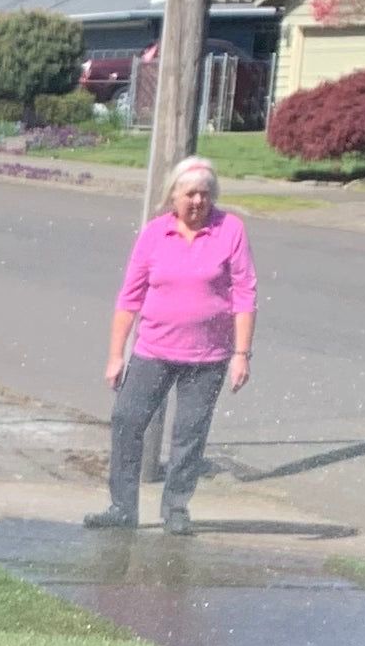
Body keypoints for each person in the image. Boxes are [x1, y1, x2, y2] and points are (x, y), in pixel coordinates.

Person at [89, 156, 256, 535]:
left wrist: (241, 354)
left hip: (208, 355)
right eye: (190, 194)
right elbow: (129, 297)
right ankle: (121, 507)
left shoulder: (231, 229)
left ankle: (176, 508)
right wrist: (116, 356)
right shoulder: (153, 234)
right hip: (153, 350)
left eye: (205, 194)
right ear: (173, 196)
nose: (198, 201)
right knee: (127, 421)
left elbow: (245, 294)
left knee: (189, 433)